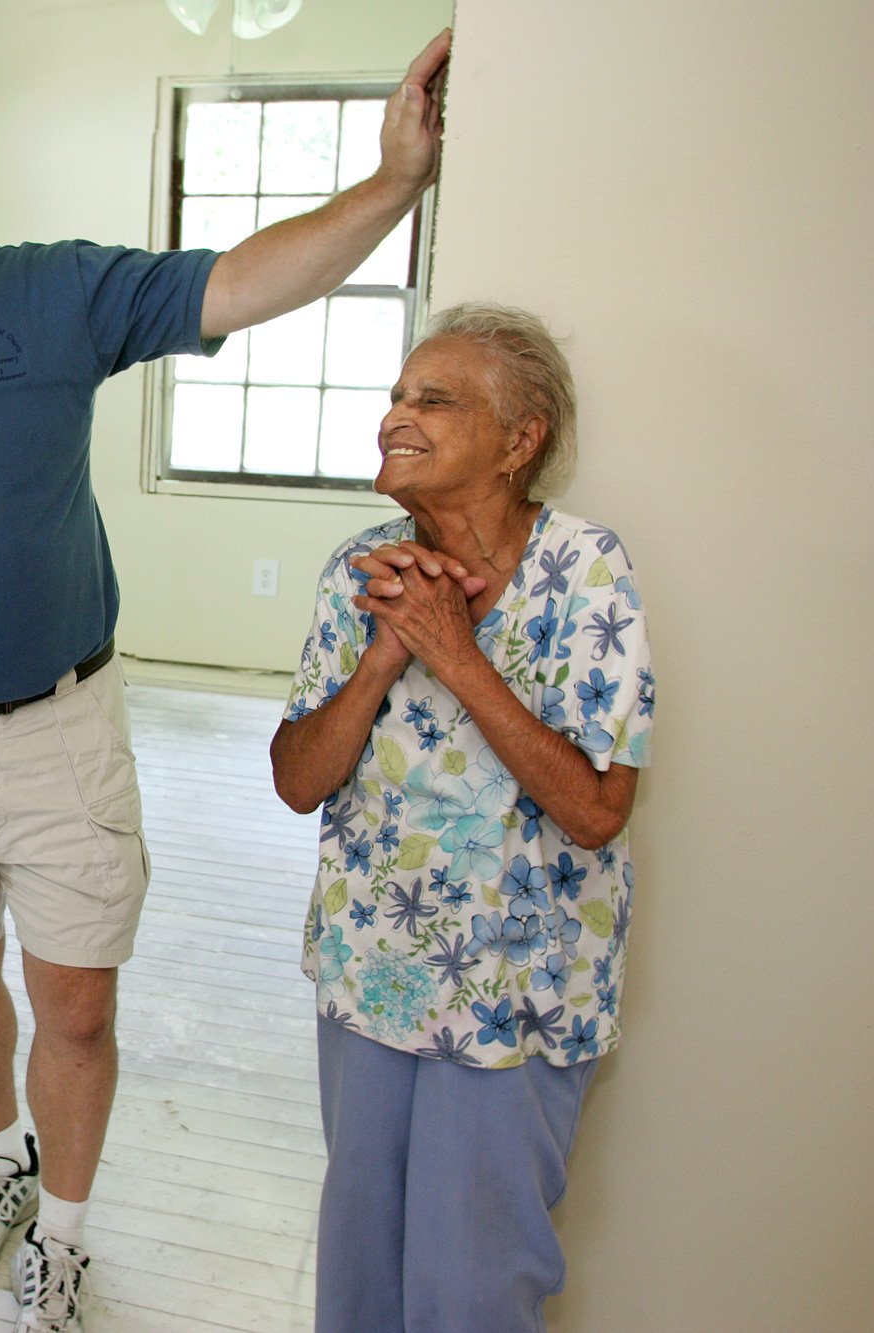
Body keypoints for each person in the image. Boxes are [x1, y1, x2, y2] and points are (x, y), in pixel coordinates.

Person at [0, 30, 451, 1332]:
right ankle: (2, 1159)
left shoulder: (45, 297)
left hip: (62, 726)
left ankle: (63, 1234)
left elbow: (236, 282)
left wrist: (393, 183)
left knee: (77, 1000)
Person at [269, 304, 654, 1332]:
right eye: (397, 394)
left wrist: (452, 652)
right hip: (369, 973)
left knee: (473, 1287)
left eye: (432, 398)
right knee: (356, 1278)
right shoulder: (360, 572)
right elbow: (298, 778)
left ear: (516, 440)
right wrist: (384, 653)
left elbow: (592, 808)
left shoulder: (586, 570)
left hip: (513, 993)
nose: (397, 413)